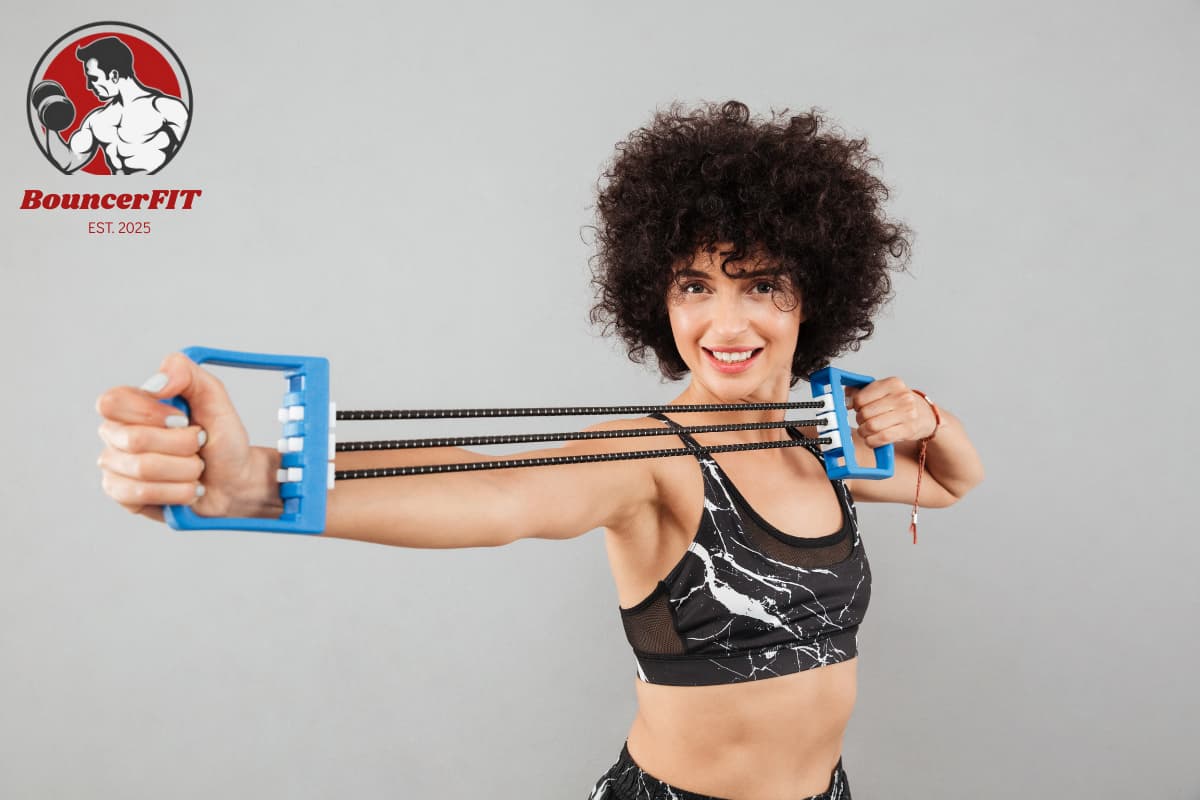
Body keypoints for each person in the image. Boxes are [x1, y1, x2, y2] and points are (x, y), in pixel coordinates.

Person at [95, 100, 984, 800]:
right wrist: (256, 484)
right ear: (657, 300)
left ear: (813, 297)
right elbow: (499, 496)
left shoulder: (819, 444)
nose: (725, 321)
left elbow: (951, 484)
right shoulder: (652, 456)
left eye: (762, 286)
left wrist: (924, 418)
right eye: (694, 285)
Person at [42, 36, 189, 174]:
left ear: (114, 75)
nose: (88, 86)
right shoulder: (97, 119)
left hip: (158, 195)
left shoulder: (166, 109)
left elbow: (197, 156)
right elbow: (67, 163)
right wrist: (50, 116)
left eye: (93, 78)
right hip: (117, 198)